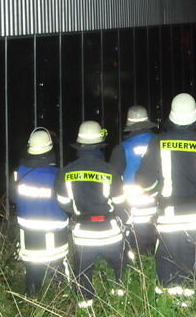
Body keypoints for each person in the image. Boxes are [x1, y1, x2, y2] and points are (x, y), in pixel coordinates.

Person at [136, 94, 196, 305]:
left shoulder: (158, 142)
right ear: (195, 119)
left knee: (167, 259)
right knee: (192, 259)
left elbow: (145, 181)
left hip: (169, 214)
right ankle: (188, 304)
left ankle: (167, 303)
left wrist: (154, 188)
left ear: (172, 118)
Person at [55, 121, 126, 310]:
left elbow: (63, 202)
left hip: (82, 234)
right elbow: (120, 203)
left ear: (79, 146)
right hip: (110, 231)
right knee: (119, 266)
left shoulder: (67, 172)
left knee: (83, 273)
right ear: (100, 146)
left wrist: (77, 212)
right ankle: (120, 301)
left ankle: (86, 306)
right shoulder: (110, 171)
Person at [10, 128, 71, 295]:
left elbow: (13, 198)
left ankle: (30, 303)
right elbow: (67, 204)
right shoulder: (58, 175)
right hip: (56, 238)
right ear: (50, 149)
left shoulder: (19, 173)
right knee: (61, 284)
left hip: (28, 238)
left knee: (33, 277)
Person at [109, 105, 158, 258]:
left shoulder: (122, 149)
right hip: (159, 207)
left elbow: (113, 180)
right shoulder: (161, 142)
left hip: (133, 211)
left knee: (136, 253)